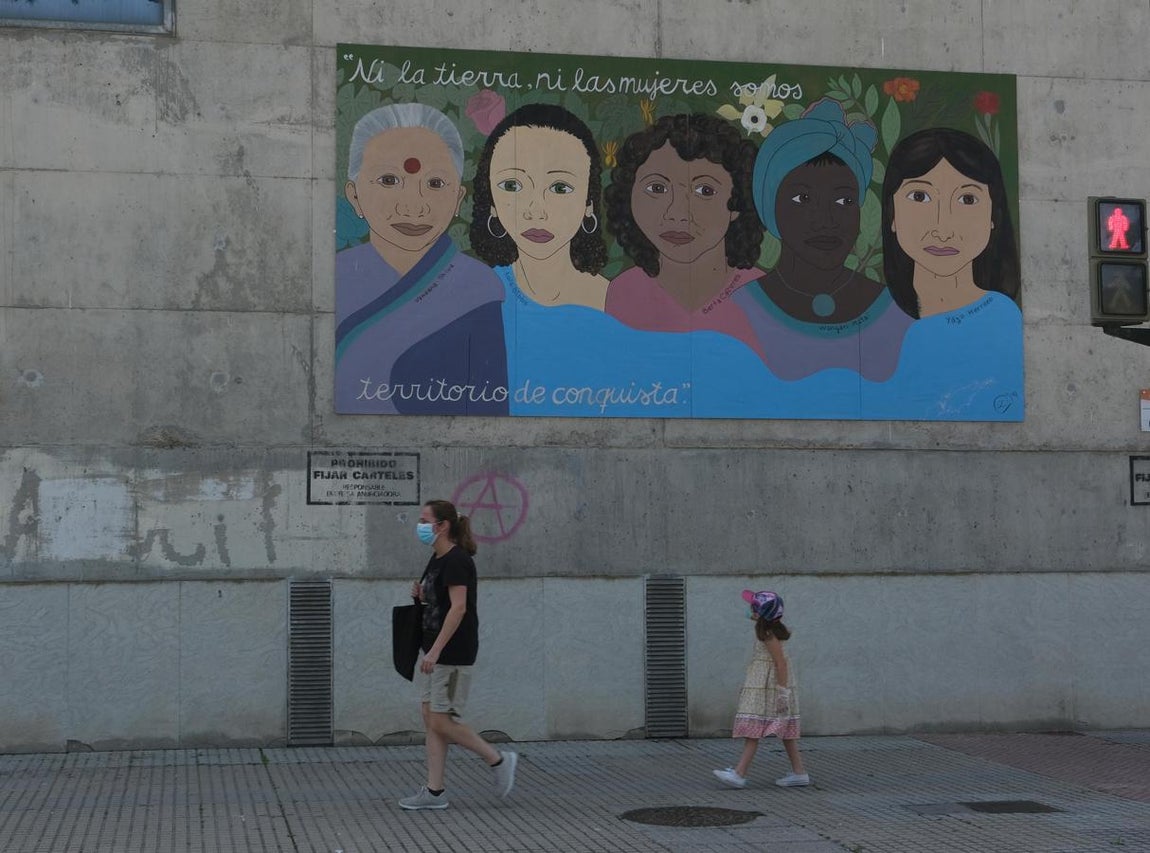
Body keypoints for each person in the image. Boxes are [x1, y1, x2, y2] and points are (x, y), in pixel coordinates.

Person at [337, 103, 508, 415]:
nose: (413, 207)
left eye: (435, 183)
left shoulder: (478, 288)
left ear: (458, 198)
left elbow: (488, 406)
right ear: (354, 195)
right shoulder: (337, 276)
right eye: (389, 181)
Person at [740, 98, 912, 382]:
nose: (827, 219)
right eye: (802, 199)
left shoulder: (896, 310)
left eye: (845, 200)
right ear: (769, 205)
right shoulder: (737, 311)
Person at [864, 127, 1023, 420]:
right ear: (891, 213)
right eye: (920, 196)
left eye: (967, 200)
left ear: (993, 217)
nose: (943, 228)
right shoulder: (873, 319)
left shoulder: (1000, 319)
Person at [604, 113, 766, 355]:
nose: (677, 213)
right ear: (630, 195)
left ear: (738, 202)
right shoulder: (624, 292)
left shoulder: (763, 298)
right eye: (657, 188)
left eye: (705, 190)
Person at [398, 499, 517, 810]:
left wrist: (436, 651)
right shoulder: (436, 559)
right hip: (433, 650)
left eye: (425, 520)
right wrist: (423, 595)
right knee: (431, 718)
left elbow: (459, 608)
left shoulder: (457, 561)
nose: (420, 525)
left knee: (442, 719)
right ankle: (434, 792)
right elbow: (442, 603)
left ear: (442, 526)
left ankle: (498, 759)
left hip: (451, 652)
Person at [713, 590, 809, 789]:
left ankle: (739, 774)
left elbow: (780, 663)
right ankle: (799, 772)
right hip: (765, 685)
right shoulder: (766, 631)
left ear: (761, 612)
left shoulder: (768, 634)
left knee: (753, 730)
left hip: (769, 688)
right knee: (785, 731)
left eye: (753, 607)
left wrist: (783, 693)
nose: (749, 610)